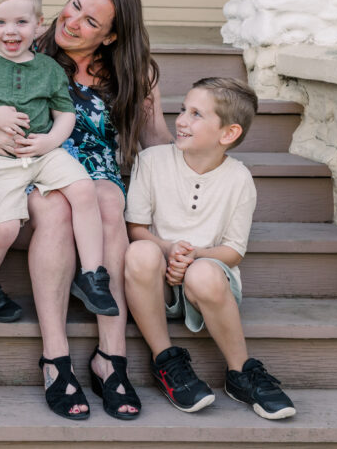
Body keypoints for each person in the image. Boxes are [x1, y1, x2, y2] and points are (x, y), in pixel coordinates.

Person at [0, 0, 171, 421]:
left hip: (96, 182)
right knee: (57, 204)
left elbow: (157, 144)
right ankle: (55, 357)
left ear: (111, 36)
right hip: (32, 176)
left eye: (91, 21)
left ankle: (110, 357)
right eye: (75, 5)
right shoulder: (23, 48)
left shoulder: (133, 73)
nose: (73, 21)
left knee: (107, 199)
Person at [0, 0, 119, 324]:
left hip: (43, 152)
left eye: (21, 22)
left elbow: (65, 114)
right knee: (5, 228)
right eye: (1, 22)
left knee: (84, 189)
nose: (11, 31)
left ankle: (92, 274)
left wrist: (50, 141)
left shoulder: (48, 68)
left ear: (39, 24)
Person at [124, 77, 296, 420]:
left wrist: (194, 256)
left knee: (202, 273)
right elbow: (135, 229)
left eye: (196, 114)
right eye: (183, 110)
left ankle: (241, 372)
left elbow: (233, 251)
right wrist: (169, 250)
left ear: (228, 133)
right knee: (139, 252)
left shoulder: (239, 179)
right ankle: (166, 361)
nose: (181, 120)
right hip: (157, 282)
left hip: (208, 284)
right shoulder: (151, 161)